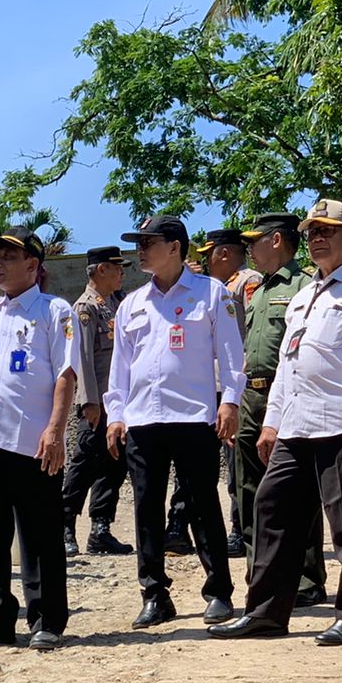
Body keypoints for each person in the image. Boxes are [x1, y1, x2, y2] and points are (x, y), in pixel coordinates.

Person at [211, 198, 342, 646]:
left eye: (327, 230)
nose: (317, 238)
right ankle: (265, 613)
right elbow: (288, 364)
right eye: (312, 231)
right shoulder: (302, 297)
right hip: (297, 425)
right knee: (272, 507)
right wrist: (273, 421)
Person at [105, 214, 244, 629]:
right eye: (139, 242)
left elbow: (231, 355)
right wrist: (116, 414)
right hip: (143, 419)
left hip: (194, 416)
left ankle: (218, 590)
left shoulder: (211, 293)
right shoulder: (132, 303)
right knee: (146, 509)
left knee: (202, 503)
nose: (141, 249)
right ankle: (154, 594)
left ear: (175, 247)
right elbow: (120, 368)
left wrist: (230, 401)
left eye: (149, 242)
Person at [0, 226, 78, 652]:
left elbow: (66, 375)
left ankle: (46, 619)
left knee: (40, 535)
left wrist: (56, 430)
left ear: (32, 265)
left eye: (8, 256)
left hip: (33, 441)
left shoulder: (54, 311)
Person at [234, 213, 328, 607]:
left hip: (288, 395)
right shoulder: (255, 291)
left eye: (254, 242)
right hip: (250, 399)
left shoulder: (306, 285)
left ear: (276, 241)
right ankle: (263, 574)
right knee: (249, 491)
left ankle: (307, 579)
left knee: (297, 491)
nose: (249, 250)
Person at [62, 246, 133, 558]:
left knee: (116, 463)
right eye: (117, 268)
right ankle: (64, 524)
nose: (122, 273)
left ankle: (100, 528)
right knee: (85, 462)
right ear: (101, 270)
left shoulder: (118, 303)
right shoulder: (85, 308)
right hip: (98, 402)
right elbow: (84, 359)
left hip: (121, 402)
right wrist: (89, 401)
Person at [200, 227, 260, 556]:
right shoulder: (222, 287)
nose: (205, 262)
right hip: (222, 388)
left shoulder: (246, 282)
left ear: (223, 253)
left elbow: (254, 334)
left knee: (240, 463)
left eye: (208, 255)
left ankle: (242, 528)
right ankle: (240, 527)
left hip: (239, 388)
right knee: (231, 460)